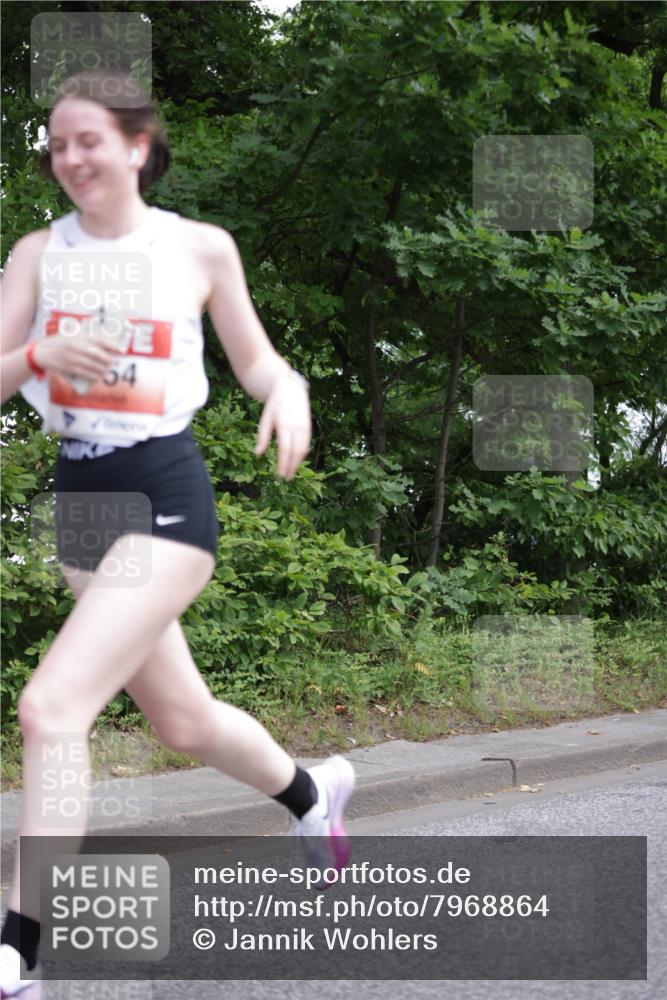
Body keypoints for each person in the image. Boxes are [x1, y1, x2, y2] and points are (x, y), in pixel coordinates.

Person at [0, 70, 355, 997]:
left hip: (164, 492)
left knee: (51, 708)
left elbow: (255, 360)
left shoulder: (200, 249)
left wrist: (287, 388)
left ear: (137, 145)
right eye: (58, 142)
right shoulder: (38, 253)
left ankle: (21, 946)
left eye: (88, 139)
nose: (70, 157)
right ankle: (312, 796)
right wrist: (38, 354)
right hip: (83, 496)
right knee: (181, 719)